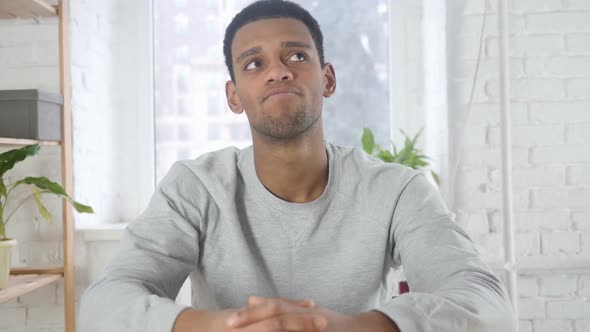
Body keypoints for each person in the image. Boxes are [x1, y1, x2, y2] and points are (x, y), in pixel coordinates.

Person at [79, 1, 514, 331]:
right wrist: (224, 327)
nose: (278, 72)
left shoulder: (398, 190)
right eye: (254, 63)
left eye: (296, 56)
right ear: (234, 96)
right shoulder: (194, 187)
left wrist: (343, 327)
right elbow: (102, 304)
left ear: (327, 79)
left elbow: (486, 304)